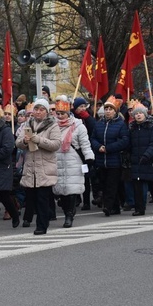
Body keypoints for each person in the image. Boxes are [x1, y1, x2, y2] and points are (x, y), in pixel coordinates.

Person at [15, 98, 62, 235]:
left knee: (43, 198)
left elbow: (55, 144)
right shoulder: (27, 124)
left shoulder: (52, 125)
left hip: (45, 166)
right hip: (31, 166)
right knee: (33, 198)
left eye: (42, 110)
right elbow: (18, 142)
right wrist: (24, 140)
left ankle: (42, 225)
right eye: (36, 109)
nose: (38, 112)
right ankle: (38, 221)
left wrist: (38, 140)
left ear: (47, 112)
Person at [52, 97, 94, 228]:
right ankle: (66, 210)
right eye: (57, 113)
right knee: (60, 191)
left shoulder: (78, 126)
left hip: (73, 160)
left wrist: (89, 157)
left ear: (68, 113)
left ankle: (69, 215)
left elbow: (85, 144)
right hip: (57, 160)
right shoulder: (52, 126)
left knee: (71, 189)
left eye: (62, 113)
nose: (60, 116)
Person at [90, 96, 130, 216]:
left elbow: (124, 141)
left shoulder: (121, 124)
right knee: (104, 183)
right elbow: (93, 138)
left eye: (110, 109)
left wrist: (109, 148)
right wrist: (98, 147)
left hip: (115, 160)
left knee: (111, 185)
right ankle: (115, 207)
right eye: (106, 108)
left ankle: (107, 206)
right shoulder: (99, 124)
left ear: (115, 111)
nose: (108, 111)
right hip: (101, 160)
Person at [128, 103, 153, 215]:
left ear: (145, 114)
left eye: (140, 113)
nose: (138, 115)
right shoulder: (132, 128)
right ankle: (139, 209)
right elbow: (130, 144)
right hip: (137, 161)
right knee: (138, 186)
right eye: (136, 113)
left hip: (151, 160)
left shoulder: (152, 127)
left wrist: (147, 155)